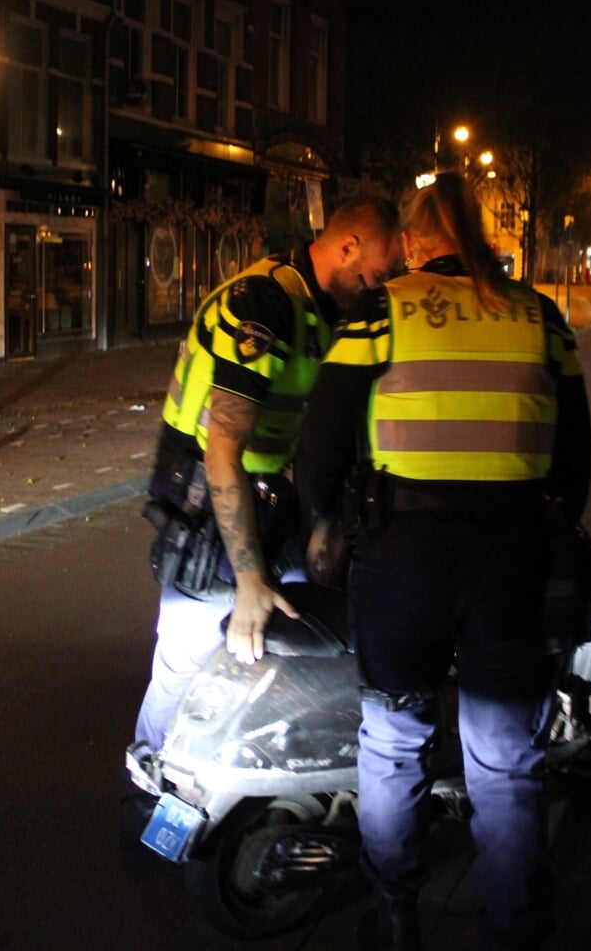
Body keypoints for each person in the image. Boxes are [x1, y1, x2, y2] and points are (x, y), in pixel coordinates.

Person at [298, 174, 591, 949]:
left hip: (403, 560)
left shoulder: (382, 313)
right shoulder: (540, 316)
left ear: (420, 240)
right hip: (508, 555)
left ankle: (396, 915)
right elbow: (576, 463)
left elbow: (320, 452)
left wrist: (326, 521)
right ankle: (516, 928)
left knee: (394, 740)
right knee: (504, 755)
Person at [123, 197, 401, 831]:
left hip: (270, 489)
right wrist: (249, 582)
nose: (380, 288)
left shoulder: (332, 314)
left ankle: (259, 783)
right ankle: (146, 796)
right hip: (204, 488)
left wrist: (325, 521)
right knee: (188, 652)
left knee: (294, 634)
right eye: (380, 273)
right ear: (349, 245)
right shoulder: (263, 305)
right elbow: (224, 452)